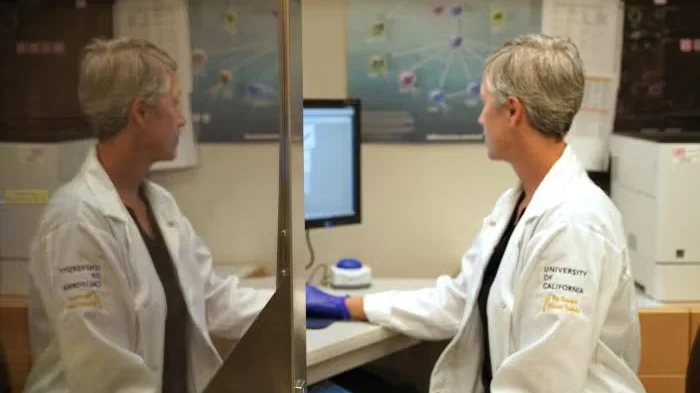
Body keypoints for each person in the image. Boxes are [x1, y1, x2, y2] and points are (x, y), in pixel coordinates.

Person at [306, 33, 646, 393]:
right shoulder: (518, 203)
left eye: (485, 104)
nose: (481, 118)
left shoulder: (574, 226)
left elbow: (544, 383)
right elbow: (458, 300)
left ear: (513, 111)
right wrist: (348, 305)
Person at [23, 37, 271, 393]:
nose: (182, 118)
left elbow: (212, 300)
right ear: (141, 113)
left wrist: (312, 306)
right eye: (174, 103)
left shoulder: (159, 204)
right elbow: (105, 377)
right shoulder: (77, 223)